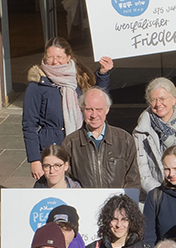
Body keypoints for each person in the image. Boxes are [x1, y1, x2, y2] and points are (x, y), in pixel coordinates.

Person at [21, 38, 112, 182]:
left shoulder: (80, 77)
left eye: (59, 57)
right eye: (50, 57)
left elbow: (97, 100)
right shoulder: (37, 85)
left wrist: (103, 74)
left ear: (68, 57)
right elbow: (29, 125)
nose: (54, 62)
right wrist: (34, 160)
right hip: (52, 150)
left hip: (81, 145)